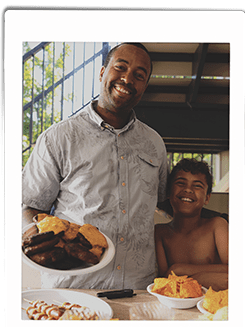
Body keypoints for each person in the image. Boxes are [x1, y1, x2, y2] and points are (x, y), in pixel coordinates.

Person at [22, 42, 168, 289]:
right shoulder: (59, 137)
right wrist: (34, 233)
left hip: (137, 287)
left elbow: (164, 203)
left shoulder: (154, 143)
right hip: (73, 287)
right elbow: (30, 205)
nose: (127, 79)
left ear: (144, 86)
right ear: (102, 72)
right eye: (120, 67)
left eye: (139, 75)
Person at [154, 158, 228, 291]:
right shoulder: (160, 233)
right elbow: (164, 282)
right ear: (169, 193)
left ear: (207, 198)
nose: (188, 189)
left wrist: (181, 269)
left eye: (197, 185)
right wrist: (206, 279)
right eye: (181, 183)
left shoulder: (217, 226)